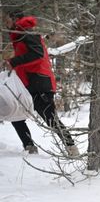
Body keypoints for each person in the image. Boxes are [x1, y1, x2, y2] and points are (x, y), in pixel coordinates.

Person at [3, 10, 78, 156]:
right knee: (15, 113)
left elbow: (37, 54)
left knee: (50, 118)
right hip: (27, 82)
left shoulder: (27, 32)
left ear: (15, 19)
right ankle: (29, 147)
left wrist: (14, 61)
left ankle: (72, 148)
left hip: (39, 81)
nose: (5, 24)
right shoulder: (19, 35)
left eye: (7, 20)